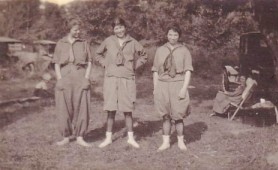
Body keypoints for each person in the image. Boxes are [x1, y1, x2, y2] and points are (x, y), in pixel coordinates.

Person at [96, 17, 148, 148]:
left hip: (127, 78)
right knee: (110, 109)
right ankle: (108, 138)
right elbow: (98, 54)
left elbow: (144, 55)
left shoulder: (133, 41)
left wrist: (134, 66)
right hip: (111, 78)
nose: (119, 30)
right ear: (113, 30)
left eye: (121, 27)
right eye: (116, 28)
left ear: (125, 27)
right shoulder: (108, 41)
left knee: (128, 109)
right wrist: (105, 65)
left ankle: (131, 138)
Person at [152, 24, 193, 151]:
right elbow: (155, 71)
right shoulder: (160, 50)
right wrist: (156, 88)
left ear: (179, 36)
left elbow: (188, 71)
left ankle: (181, 141)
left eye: (175, 35)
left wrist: (184, 89)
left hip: (178, 83)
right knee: (165, 115)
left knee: (178, 115)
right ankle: (166, 142)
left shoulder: (184, 50)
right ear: (166, 35)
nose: (173, 37)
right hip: (163, 84)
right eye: (170, 34)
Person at [52, 18, 92, 147]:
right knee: (63, 107)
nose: (78, 32)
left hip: (80, 75)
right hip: (64, 75)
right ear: (69, 29)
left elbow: (90, 62)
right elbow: (56, 63)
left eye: (79, 29)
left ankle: (80, 136)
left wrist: (86, 77)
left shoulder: (84, 43)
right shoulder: (60, 43)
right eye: (76, 30)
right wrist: (59, 79)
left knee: (82, 106)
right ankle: (65, 136)